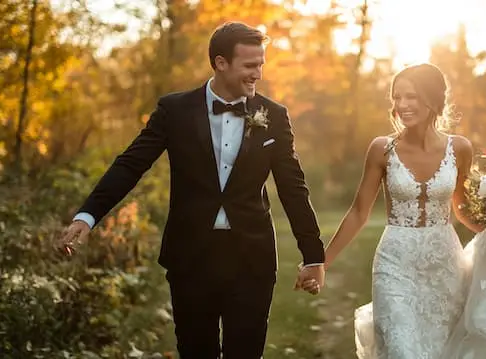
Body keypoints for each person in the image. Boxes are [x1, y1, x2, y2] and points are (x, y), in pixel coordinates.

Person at [55, 21, 326, 359]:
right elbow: (130, 165)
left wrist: (313, 255)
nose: (258, 73)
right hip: (191, 258)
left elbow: (293, 187)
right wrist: (87, 216)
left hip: (251, 258)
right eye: (250, 65)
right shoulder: (175, 111)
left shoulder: (273, 115)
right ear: (220, 63)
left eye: (261, 64)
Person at [299, 63, 486, 358]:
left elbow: (461, 209)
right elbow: (359, 212)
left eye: (410, 96)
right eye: (396, 98)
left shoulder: (460, 148)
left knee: (442, 350)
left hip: (445, 267)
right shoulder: (381, 149)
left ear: (433, 100)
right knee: (402, 350)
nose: (401, 105)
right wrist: (321, 263)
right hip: (395, 265)